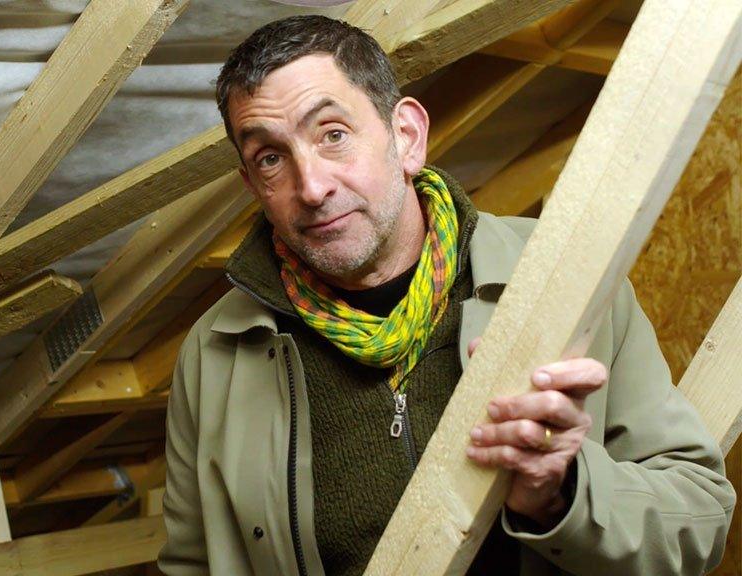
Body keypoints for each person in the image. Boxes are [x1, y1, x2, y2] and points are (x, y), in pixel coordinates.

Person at [158, 15, 735, 576]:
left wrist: (565, 494)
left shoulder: (563, 279)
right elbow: (193, 564)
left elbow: (699, 522)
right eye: (271, 158)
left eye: (333, 135)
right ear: (252, 184)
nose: (311, 187)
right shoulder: (214, 353)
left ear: (406, 137)